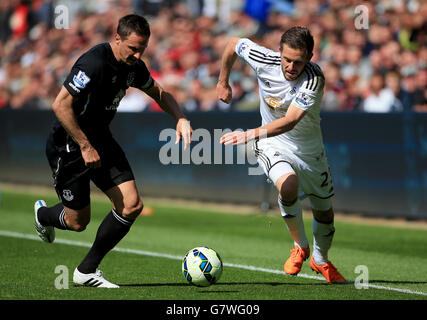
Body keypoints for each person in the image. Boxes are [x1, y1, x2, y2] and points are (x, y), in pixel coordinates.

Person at [34, 14, 193, 288]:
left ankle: (86, 271)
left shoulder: (134, 67)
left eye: (142, 48)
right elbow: (60, 105)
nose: (137, 54)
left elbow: (159, 92)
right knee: (77, 222)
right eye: (132, 48)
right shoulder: (93, 63)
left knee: (132, 205)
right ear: (117, 38)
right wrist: (84, 145)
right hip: (70, 145)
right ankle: (43, 216)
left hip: (101, 140)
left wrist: (180, 117)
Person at [216, 27, 346, 283]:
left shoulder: (313, 78)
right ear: (279, 52)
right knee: (288, 185)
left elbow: (291, 120)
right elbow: (233, 43)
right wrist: (223, 80)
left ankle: (320, 260)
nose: (291, 66)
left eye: (298, 61)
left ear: (310, 57)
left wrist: (248, 134)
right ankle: (300, 245)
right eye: (287, 59)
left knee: (324, 212)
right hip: (271, 142)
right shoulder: (264, 59)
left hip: (309, 152)